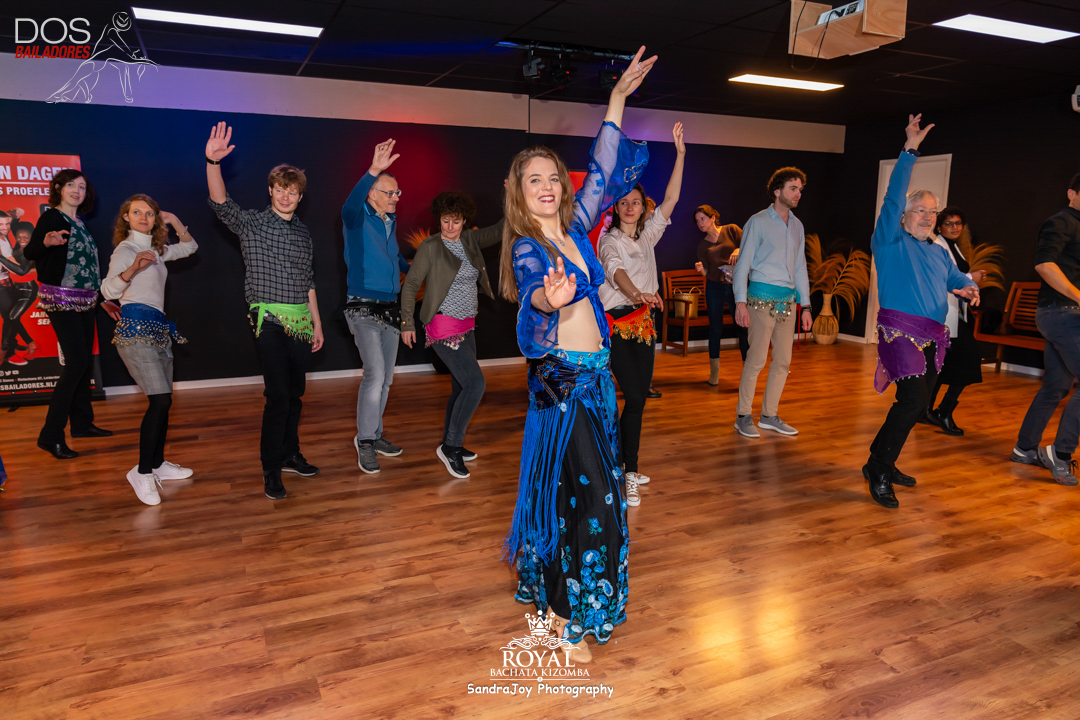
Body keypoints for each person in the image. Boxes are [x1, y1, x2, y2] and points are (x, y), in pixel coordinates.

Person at [501, 45, 654, 664]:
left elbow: (604, 159)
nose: (546, 187)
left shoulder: (577, 227)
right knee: (583, 497)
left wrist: (617, 98)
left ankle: (568, 596)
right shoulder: (527, 245)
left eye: (552, 178)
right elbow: (535, 291)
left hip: (595, 379)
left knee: (599, 493)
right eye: (533, 180)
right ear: (519, 192)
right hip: (562, 387)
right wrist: (548, 295)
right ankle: (567, 616)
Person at [864, 115, 979, 509]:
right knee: (913, 401)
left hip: (932, 337)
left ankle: (882, 459)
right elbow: (894, 195)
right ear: (904, 216)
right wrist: (909, 150)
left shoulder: (937, 251)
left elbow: (958, 277)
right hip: (898, 333)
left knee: (915, 403)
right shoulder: (890, 240)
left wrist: (969, 288)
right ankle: (879, 469)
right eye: (920, 211)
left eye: (933, 212)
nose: (928, 217)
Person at [205, 122, 324, 500]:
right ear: (270, 190)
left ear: (299, 196)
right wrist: (212, 162)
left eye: (293, 191)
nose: (286, 196)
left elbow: (309, 281)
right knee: (277, 395)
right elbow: (221, 203)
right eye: (280, 189)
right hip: (268, 320)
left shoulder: (304, 233)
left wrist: (317, 323)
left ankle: (290, 453)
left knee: (296, 394)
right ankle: (271, 468)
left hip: (302, 321)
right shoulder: (253, 223)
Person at [598, 122, 685, 507]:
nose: (630, 207)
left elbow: (672, 197)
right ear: (615, 207)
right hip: (618, 325)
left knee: (637, 402)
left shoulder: (647, 235)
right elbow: (615, 272)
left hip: (645, 326)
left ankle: (622, 462)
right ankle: (628, 472)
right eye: (624, 202)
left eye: (636, 202)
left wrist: (681, 154)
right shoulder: (608, 240)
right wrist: (640, 295)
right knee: (632, 395)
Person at [101, 195, 197, 506]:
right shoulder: (126, 250)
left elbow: (191, 247)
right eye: (137, 212)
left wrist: (174, 220)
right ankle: (141, 472)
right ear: (126, 218)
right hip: (135, 329)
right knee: (160, 400)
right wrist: (132, 268)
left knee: (164, 402)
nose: (144, 217)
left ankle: (157, 464)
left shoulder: (157, 250)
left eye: (149, 213)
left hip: (159, 329)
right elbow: (107, 290)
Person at [400, 192, 503, 479]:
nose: (449, 227)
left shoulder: (470, 240)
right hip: (443, 326)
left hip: (467, 325)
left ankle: (451, 440)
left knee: (461, 387)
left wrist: (511, 196)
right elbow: (410, 286)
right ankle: (451, 446)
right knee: (475, 384)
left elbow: (501, 229)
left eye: (455, 222)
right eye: (445, 221)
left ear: (464, 221)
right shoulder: (431, 247)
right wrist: (407, 322)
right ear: (439, 219)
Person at [24, 170, 114, 459]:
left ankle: (82, 424)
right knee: (76, 363)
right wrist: (47, 244)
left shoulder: (80, 222)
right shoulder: (52, 217)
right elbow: (30, 252)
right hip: (61, 298)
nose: (77, 190)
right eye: (71, 185)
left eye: (82, 186)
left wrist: (101, 299)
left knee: (83, 363)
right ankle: (50, 436)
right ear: (59, 189)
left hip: (86, 300)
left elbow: (87, 269)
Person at [341, 140, 413, 475]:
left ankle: (376, 433)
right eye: (389, 192)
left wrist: (419, 269)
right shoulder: (356, 218)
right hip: (363, 307)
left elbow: (395, 258)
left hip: (390, 307)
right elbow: (349, 204)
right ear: (372, 193)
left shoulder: (389, 222)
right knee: (375, 374)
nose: (396, 197)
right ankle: (365, 440)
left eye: (398, 192)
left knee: (386, 380)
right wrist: (371, 170)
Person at [731, 169, 813, 438]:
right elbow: (742, 265)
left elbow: (800, 267)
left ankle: (769, 415)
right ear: (777, 191)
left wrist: (807, 306)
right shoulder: (758, 222)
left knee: (783, 362)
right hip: (759, 301)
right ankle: (743, 416)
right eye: (793, 188)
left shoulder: (798, 225)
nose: (798, 193)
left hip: (788, 303)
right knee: (755, 360)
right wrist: (740, 303)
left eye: (800, 189)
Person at [1011, 172, 1080, 486]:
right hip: (1063, 314)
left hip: (1063, 315)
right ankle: (1061, 453)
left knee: (1056, 386)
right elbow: (1044, 264)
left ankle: (1025, 448)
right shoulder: (1062, 221)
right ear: (1071, 193)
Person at [917, 207, 986, 435]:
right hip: (943, 315)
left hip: (954, 314)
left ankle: (926, 411)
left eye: (958, 223)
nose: (955, 227)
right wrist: (970, 278)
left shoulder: (954, 247)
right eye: (949, 223)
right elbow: (940, 278)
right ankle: (942, 411)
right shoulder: (937, 246)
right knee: (969, 358)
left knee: (941, 364)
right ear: (939, 226)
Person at [694, 208, 748, 383]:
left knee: (741, 327)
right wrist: (702, 271)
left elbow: (749, 243)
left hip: (736, 286)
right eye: (697, 221)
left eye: (703, 218)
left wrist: (738, 249)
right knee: (715, 329)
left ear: (713, 217)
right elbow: (708, 272)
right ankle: (714, 373)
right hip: (715, 286)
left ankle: (747, 372)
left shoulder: (731, 229)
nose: (700, 223)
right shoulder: (703, 245)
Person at [0, 221, 39, 365]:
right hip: (15, 288)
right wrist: (15, 220)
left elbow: (22, 272)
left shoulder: (32, 250)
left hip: (28, 290)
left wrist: (1, 257)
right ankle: (30, 343)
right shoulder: (17, 244)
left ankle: (4, 350)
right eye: (19, 237)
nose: (21, 240)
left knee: (11, 317)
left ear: (32, 237)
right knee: (11, 318)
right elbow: (13, 230)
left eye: (26, 238)